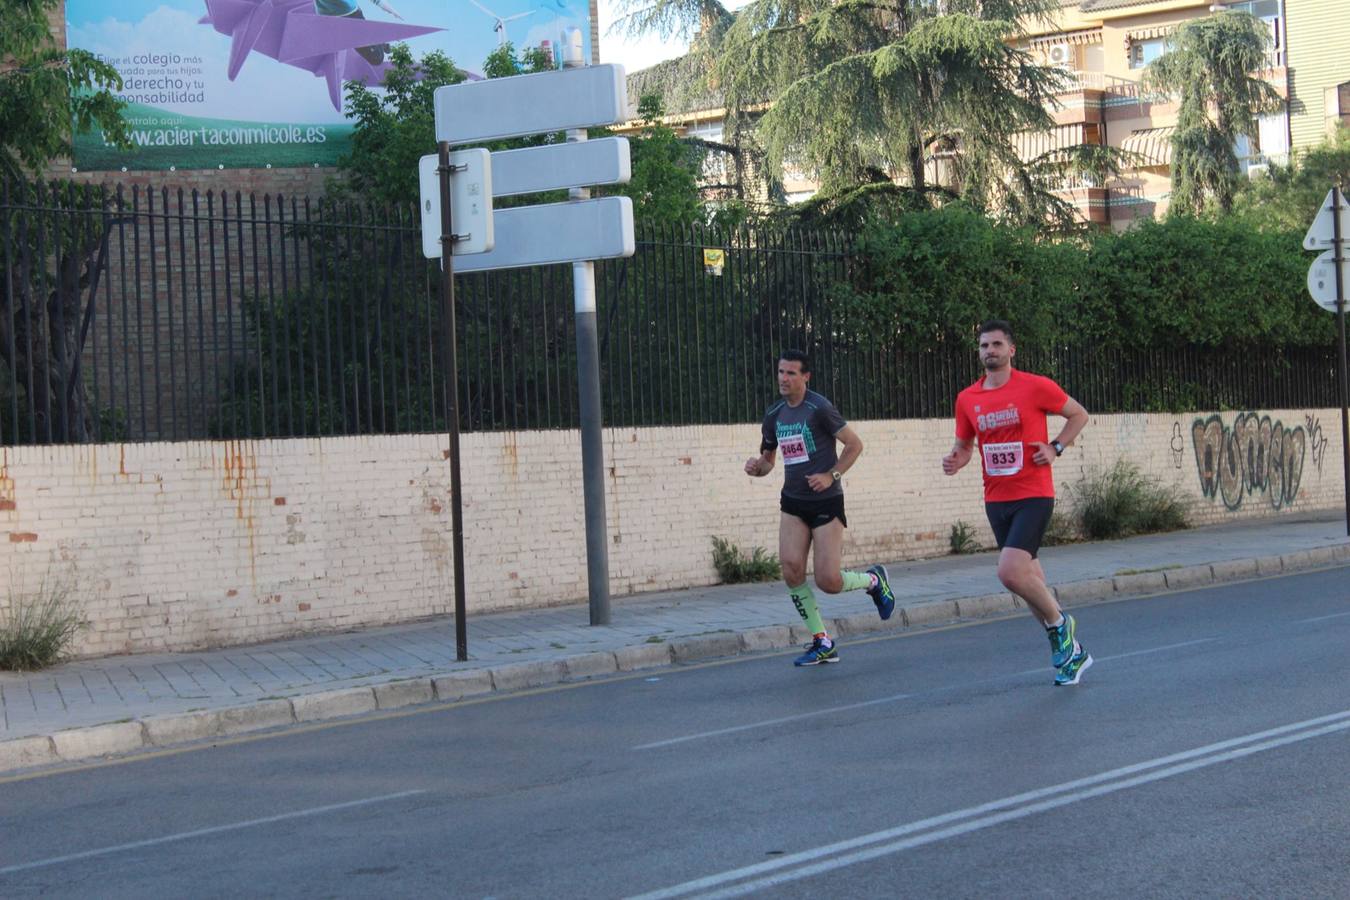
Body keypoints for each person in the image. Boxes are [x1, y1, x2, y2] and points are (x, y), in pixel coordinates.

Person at [941, 320, 1093, 686]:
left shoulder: (1035, 386)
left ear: (1011, 350)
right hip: (997, 499)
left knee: (1010, 572)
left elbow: (1079, 414)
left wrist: (1056, 447)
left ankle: (1061, 625)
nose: (989, 351)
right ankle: (1072, 655)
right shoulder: (968, 399)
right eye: (983, 346)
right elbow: (964, 445)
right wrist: (956, 459)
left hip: (1034, 494)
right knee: (1029, 579)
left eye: (995, 345)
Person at [745, 349, 896, 666]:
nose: (784, 379)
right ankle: (821, 641)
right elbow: (769, 461)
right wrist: (756, 467)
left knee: (828, 581)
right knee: (791, 569)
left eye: (791, 373)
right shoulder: (774, 415)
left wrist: (832, 475)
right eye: (781, 372)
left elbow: (855, 445)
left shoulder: (819, 408)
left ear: (805, 377)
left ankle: (873, 581)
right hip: (793, 502)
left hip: (826, 501)